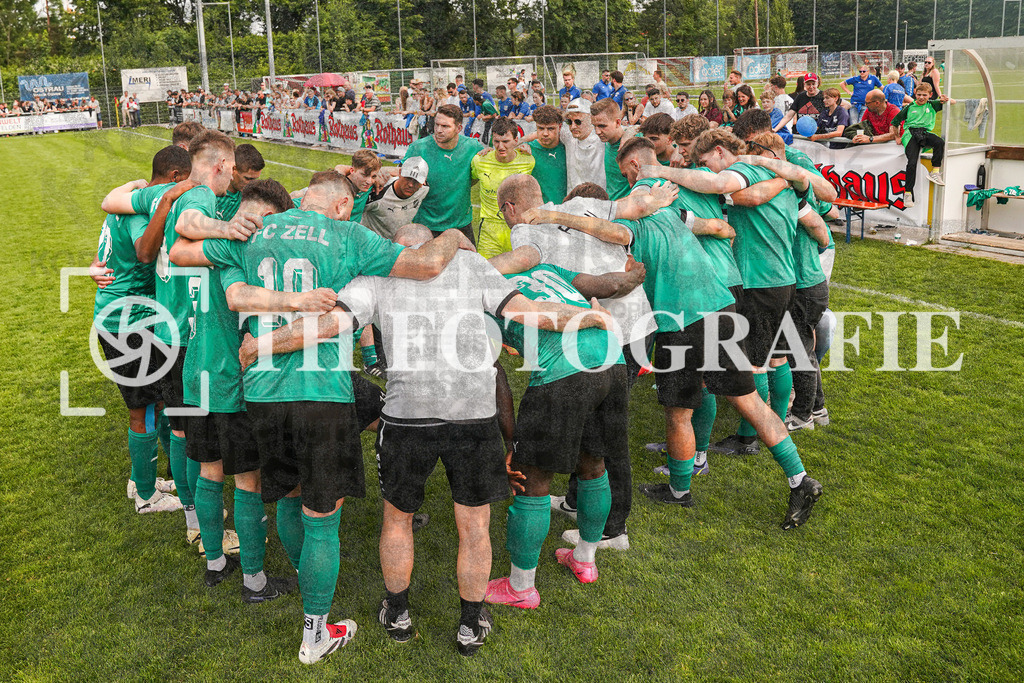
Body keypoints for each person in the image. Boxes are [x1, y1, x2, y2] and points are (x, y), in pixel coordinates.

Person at [198, 171, 476, 664]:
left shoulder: (254, 229)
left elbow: (189, 256)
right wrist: (454, 234)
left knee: (288, 497)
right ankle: (315, 632)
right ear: (344, 205)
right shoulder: (346, 234)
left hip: (261, 390)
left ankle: (306, 580)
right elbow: (427, 263)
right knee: (323, 519)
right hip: (322, 392)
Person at [637, 130, 826, 529]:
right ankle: (797, 477)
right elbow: (737, 218)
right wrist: (788, 178)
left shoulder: (720, 176)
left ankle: (694, 472)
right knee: (740, 389)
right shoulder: (759, 175)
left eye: (699, 157)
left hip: (702, 298)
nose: (693, 164)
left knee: (694, 399)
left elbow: (729, 203)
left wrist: (657, 177)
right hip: (732, 290)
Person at [492, 174, 674, 550]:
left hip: (601, 330)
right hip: (629, 321)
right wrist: (654, 196)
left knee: (605, 435)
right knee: (594, 428)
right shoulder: (579, 206)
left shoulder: (524, 230)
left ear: (509, 208)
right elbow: (631, 216)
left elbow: (526, 268)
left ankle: (614, 528)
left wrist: (470, 270)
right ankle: (580, 505)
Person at [91, 147, 191, 516]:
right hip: (129, 323)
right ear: (176, 178)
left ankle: (142, 477)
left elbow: (105, 257)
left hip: (120, 317)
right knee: (144, 409)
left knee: (154, 403)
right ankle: (146, 495)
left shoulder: (126, 200)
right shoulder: (139, 210)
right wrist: (164, 205)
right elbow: (143, 251)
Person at [401, 103, 485, 243]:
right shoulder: (418, 148)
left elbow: (482, 172)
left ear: (459, 128)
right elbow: (401, 176)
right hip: (426, 225)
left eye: (445, 126)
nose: (439, 130)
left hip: (461, 225)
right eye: (437, 125)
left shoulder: (473, 147)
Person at [471, 117, 536, 257]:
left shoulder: (528, 161)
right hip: (489, 228)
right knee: (487, 268)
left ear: (516, 140)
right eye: (496, 141)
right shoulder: (479, 161)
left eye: (506, 141)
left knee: (517, 269)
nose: (500, 147)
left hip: (517, 227)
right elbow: (471, 180)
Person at [891, 83, 954, 208]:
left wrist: (945, 99)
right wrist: (897, 137)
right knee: (912, 163)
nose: (921, 97)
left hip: (924, 133)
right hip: (910, 134)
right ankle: (908, 193)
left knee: (939, 142)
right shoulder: (909, 107)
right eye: (919, 94)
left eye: (924, 95)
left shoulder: (932, 105)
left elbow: (952, 102)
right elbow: (895, 122)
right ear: (915, 93)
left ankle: (935, 172)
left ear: (930, 95)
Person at [360, 156, 430, 240]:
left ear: (423, 181)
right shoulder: (378, 193)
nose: (411, 184)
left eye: (416, 181)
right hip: (373, 243)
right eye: (408, 178)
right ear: (400, 173)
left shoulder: (423, 190)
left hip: (398, 244)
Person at [591, 98, 634, 200]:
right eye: (594, 126)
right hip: (610, 206)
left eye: (602, 126)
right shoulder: (605, 142)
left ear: (618, 123)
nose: (597, 132)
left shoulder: (634, 144)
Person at [527, 105, 568, 204]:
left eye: (550, 129)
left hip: (564, 209)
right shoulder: (527, 150)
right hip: (539, 210)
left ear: (560, 127)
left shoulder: (569, 148)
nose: (545, 133)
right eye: (541, 128)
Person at [214, 144, 265, 221]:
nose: (252, 184)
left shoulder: (249, 197)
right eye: (248, 178)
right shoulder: (211, 191)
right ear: (233, 169)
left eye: (255, 179)